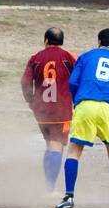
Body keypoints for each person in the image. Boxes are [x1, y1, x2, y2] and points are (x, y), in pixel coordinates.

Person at [55, 28, 109, 208]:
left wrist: (79, 103)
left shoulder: (86, 56)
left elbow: (73, 83)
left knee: (74, 149)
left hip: (86, 104)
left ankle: (69, 197)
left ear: (98, 42)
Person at [21, 26, 77, 192]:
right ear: (62, 41)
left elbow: (25, 83)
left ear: (46, 40)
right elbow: (79, 78)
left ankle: (47, 184)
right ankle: (50, 188)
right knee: (56, 146)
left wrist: (30, 101)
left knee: (49, 145)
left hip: (41, 110)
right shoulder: (69, 57)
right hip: (62, 111)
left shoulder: (35, 58)